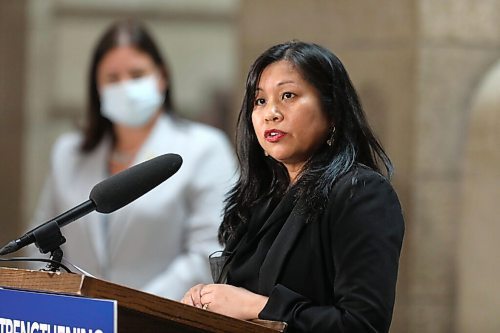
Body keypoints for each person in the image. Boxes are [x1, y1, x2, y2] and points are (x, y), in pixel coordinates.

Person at [181, 41, 405, 333]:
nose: (271, 113)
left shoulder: (360, 193)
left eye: (288, 95)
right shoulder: (258, 200)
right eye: (260, 100)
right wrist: (207, 302)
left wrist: (255, 306)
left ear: (332, 111)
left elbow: (362, 325)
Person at [30, 19, 237, 300]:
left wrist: (132, 308)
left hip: (160, 318)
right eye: (112, 79)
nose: (125, 87)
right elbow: (39, 242)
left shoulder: (204, 148)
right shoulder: (69, 153)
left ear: (161, 77)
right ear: (97, 87)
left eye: (137, 74)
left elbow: (208, 251)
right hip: (76, 318)